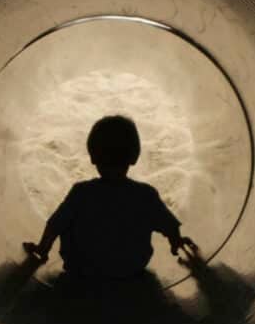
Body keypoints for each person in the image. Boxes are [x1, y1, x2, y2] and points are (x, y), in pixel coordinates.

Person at [24, 115, 195, 279]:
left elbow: (55, 224)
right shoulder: (145, 194)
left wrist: (42, 249)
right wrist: (177, 242)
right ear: (134, 157)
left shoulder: (81, 192)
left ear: (93, 157)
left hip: (81, 268)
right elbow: (169, 225)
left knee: (69, 219)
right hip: (130, 268)